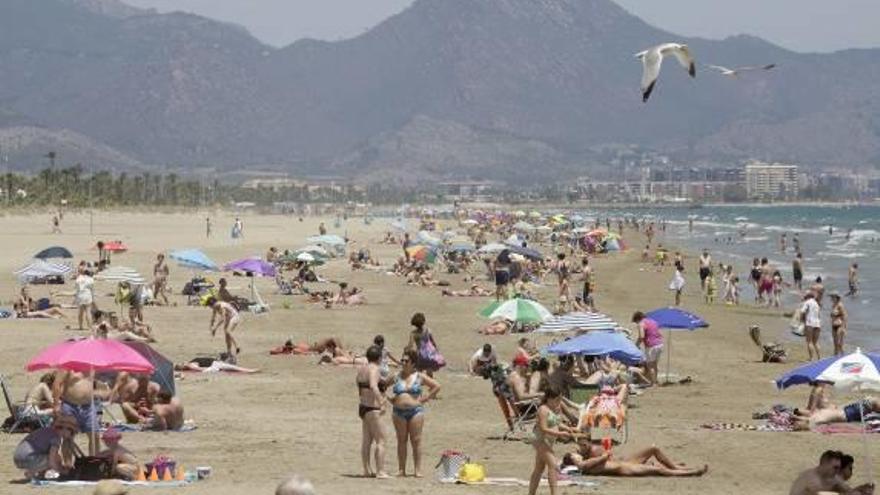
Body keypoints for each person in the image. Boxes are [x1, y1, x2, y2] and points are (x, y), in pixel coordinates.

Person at [391, 349, 440, 478]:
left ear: (413, 363)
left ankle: (417, 470)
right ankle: (401, 469)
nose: (403, 362)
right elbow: (382, 385)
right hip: (398, 412)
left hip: (415, 411)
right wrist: (389, 399)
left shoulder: (419, 376)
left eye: (406, 360)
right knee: (401, 440)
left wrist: (425, 398)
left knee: (416, 440)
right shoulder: (396, 376)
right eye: (402, 360)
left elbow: (436, 386)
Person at [527, 387, 578, 495]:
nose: (559, 402)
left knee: (539, 468)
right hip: (539, 439)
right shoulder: (543, 409)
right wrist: (560, 434)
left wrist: (568, 429)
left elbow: (557, 422)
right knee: (553, 464)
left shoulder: (555, 408)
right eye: (557, 400)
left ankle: (531, 493)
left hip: (549, 440)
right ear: (549, 398)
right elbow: (543, 428)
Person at [561, 443, 707, 477]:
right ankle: (689, 472)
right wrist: (605, 455)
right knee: (658, 470)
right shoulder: (582, 464)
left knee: (653, 448)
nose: (576, 453)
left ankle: (676, 466)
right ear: (573, 460)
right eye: (574, 454)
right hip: (625, 469)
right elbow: (585, 464)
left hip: (625, 463)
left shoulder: (585, 460)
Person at [356, 345, 389, 479]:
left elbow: (360, 386)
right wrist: (382, 401)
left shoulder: (361, 369)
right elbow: (373, 386)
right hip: (373, 408)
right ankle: (380, 471)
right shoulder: (374, 369)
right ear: (379, 358)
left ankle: (366, 470)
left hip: (363, 407)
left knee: (366, 441)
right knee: (381, 440)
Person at [13, 415, 79, 479]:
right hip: (28, 459)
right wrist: (62, 471)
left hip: (17, 459)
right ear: (65, 430)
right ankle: (31, 472)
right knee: (56, 459)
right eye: (72, 433)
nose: (71, 436)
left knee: (52, 456)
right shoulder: (56, 438)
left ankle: (41, 475)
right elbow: (52, 462)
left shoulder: (45, 430)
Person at [53, 370, 100, 455]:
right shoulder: (67, 366)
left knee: (95, 435)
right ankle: (68, 464)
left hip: (88, 406)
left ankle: (94, 462)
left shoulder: (90, 365)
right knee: (68, 437)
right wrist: (56, 404)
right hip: (70, 406)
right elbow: (57, 384)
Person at [789, 450, 874, 495]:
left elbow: (849, 491)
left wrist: (862, 489)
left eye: (839, 468)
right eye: (835, 468)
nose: (837, 471)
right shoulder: (811, 478)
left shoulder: (833, 478)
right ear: (824, 463)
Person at [406, 312, 444, 376]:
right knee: (429, 368)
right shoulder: (428, 330)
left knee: (419, 369)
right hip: (430, 352)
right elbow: (433, 342)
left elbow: (411, 345)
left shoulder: (413, 333)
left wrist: (407, 350)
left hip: (421, 353)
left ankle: (420, 381)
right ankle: (430, 381)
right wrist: (436, 350)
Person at [633, 312, 662, 386]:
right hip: (659, 344)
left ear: (637, 319)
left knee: (650, 365)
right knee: (655, 364)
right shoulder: (653, 321)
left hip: (651, 345)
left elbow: (641, 336)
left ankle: (653, 383)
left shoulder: (641, 323)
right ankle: (656, 381)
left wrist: (636, 345)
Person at [801, 293, 822, 361]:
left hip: (810, 323)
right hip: (818, 323)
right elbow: (819, 315)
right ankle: (819, 357)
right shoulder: (816, 304)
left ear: (808, 297)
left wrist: (802, 320)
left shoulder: (807, 302)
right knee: (816, 342)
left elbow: (802, 311)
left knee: (809, 341)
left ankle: (811, 358)